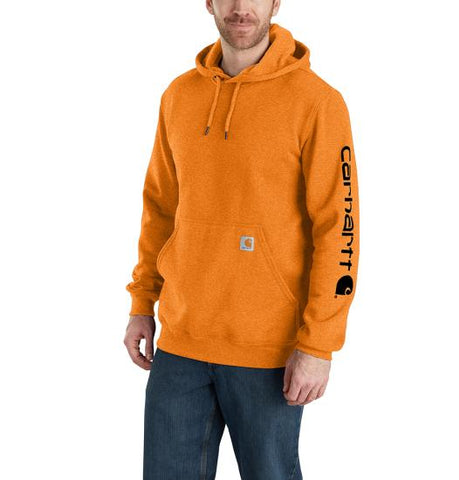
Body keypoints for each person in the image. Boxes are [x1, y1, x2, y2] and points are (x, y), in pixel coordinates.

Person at [124, 1, 360, 478]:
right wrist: (142, 302)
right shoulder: (179, 95)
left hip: (269, 349)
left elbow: (340, 228)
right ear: (209, 2)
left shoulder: (317, 101)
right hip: (181, 345)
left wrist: (319, 344)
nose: (240, 8)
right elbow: (160, 209)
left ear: (275, 2)